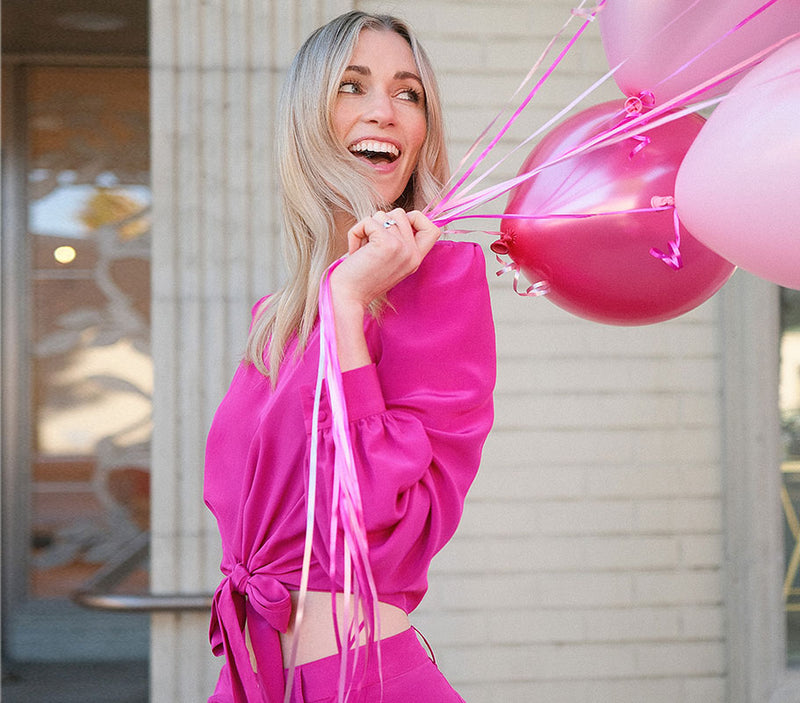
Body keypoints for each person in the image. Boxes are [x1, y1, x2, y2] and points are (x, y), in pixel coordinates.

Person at [204, 11, 496, 703]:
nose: (384, 112)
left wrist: (350, 307)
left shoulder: (441, 282)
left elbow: (382, 527)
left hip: (362, 680)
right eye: (352, 85)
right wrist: (335, 297)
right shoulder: (274, 320)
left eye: (409, 92)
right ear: (309, 117)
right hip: (254, 680)